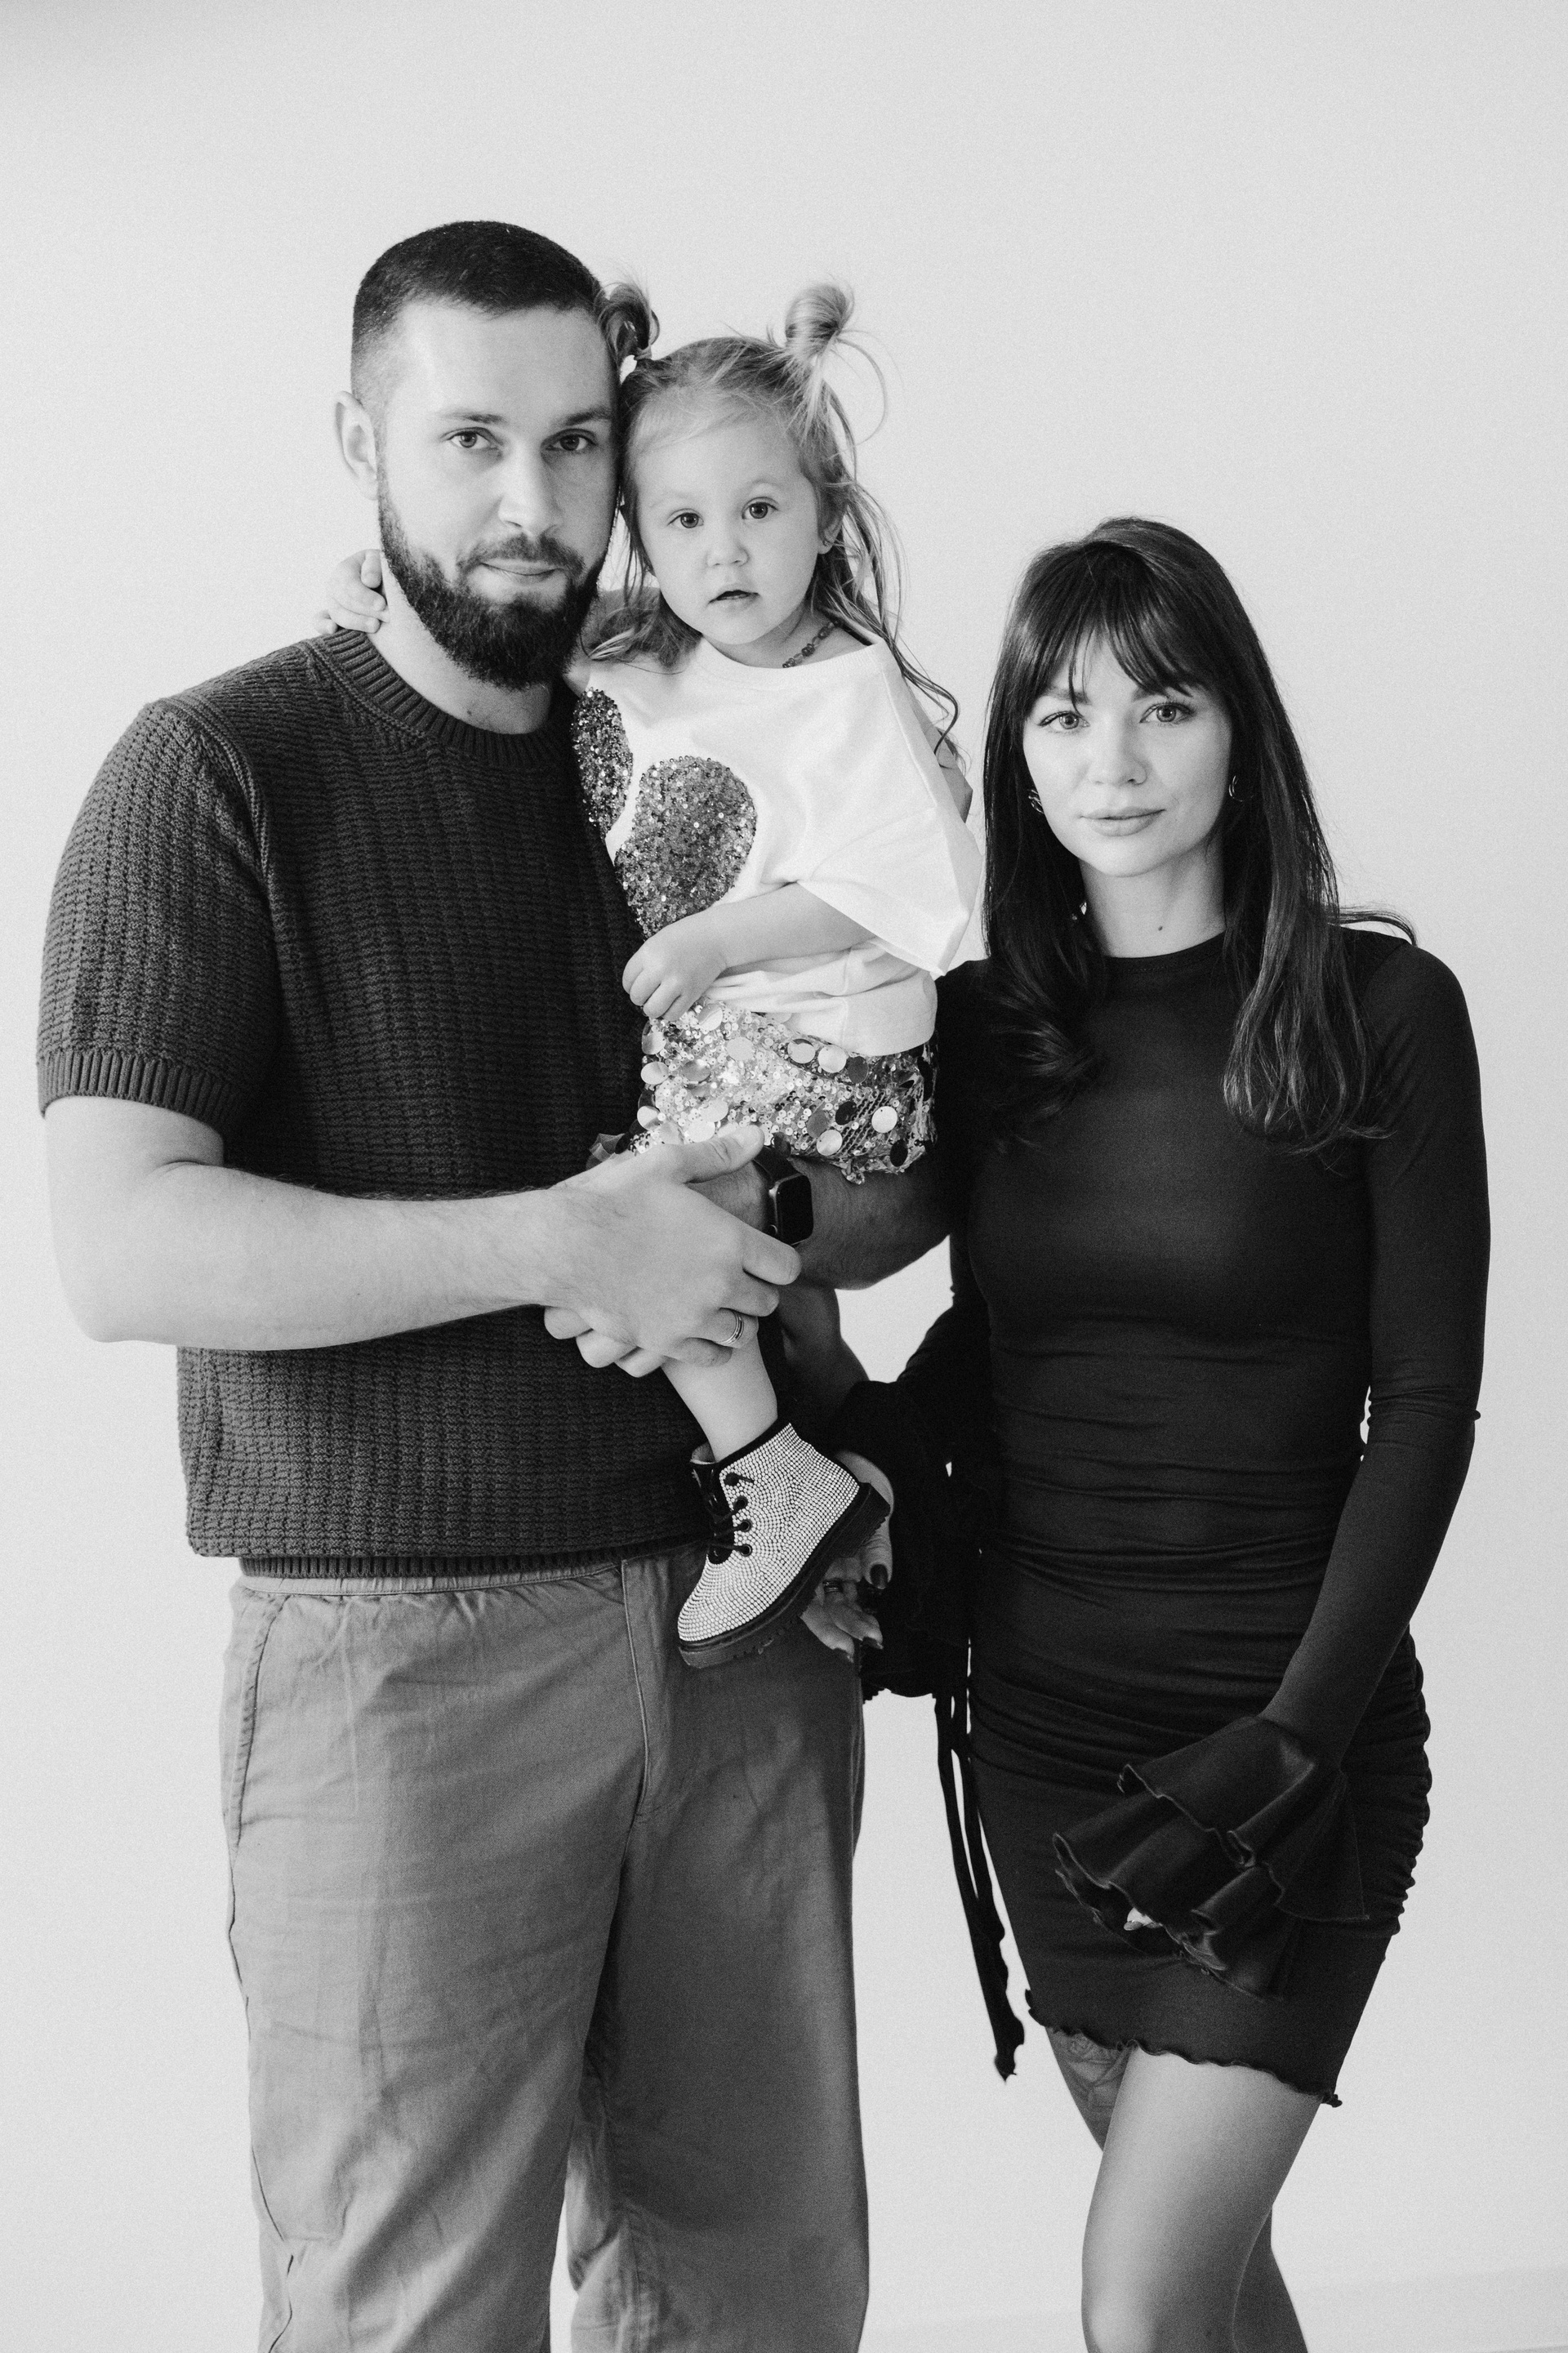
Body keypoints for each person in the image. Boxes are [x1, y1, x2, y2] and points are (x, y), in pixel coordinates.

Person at [38, 220, 935, 2353]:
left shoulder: (714, 730)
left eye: (576, 442)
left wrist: (763, 1206)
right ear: (360, 443)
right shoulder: (222, 771)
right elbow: (119, 1244)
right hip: (398, 1662)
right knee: (407, 2309)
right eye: (469, 441)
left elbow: (912, 1174)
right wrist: (558, 1236)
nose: (532, 500)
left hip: (748, 1639)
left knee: (762, 2299)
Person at [882, 519, 1488, 2352]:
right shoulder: (985, 1028)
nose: (1115, 762)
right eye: (1063, 716)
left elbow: (1427, 1401)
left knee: (1139, 2308)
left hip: (1282, 1745)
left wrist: (1297, 1740)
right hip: (1050, 1750)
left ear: (1241, 729)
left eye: (1164, 704)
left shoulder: (1382, 1012)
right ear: (1016, 752)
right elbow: (994, 1355)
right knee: (1215, 2294)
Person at [318, 276, 980, 1669]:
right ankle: (835, 1476)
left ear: (826, 516)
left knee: (639, 1234)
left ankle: (770, 1478)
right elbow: (491, 625)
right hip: (719, 1055)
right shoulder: (650, 654)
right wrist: (376, 591)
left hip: (827, 1062)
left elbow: (910, 883)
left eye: (760, 510)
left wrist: (722, 938)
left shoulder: (843, 692)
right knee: (730, 1286)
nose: (724, 551)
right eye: (681, 521)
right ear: (636, 531)